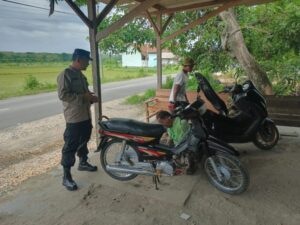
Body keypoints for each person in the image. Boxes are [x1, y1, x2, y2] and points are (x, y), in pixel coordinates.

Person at [57, 48, 98, 191]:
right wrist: (84, 98)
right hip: (74, 118)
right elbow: (63, 95)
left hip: (85, 115)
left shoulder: (81, 75)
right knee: (70, 146)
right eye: (87, 61)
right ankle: (66, 177)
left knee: (84, 139)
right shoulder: (65, 74)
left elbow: (83, 93)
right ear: (79, 60)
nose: (88, 64)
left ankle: (83, 162)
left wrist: (90, 98)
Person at [156, 110, 197, 174]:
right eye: (161, 123)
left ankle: (192, 165)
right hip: (180, 146)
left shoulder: (182, 123)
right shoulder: (169, 127)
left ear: (168, 118)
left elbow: (183, 142)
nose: (163, 125)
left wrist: (173, 152)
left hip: (188, 145)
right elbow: (172, 138)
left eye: (162, 122)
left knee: (185, 154)